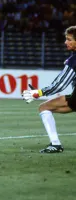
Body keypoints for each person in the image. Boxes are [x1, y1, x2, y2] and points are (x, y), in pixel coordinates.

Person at [22, 25, 76, 153]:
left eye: (69, 39)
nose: (65, 42)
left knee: (44, 107)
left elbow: (60, 85)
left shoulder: (74, 60)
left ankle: (56, 144)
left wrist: (38, 92)